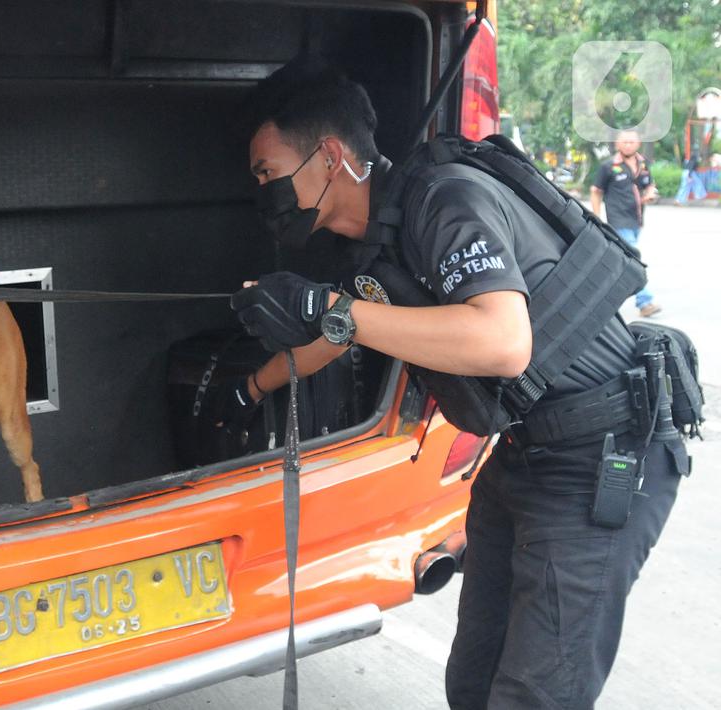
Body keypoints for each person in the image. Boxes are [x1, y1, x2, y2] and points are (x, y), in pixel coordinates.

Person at [223, 59, 685, 709]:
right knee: (473, 682)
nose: (263, 190)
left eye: (267, 172)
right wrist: (249, 388)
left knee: (534, 696)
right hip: (523, 455)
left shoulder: (444, 198)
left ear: (328, 156)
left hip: (602, 457)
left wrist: (329, 308)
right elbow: (335, 335)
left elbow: (502, 343)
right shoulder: (372, 244)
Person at [591, 130, 661, 317]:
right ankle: (644, 302)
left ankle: (598, 298)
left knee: (619, 262)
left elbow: (649, 185)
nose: (628, 145)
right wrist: (597, 217)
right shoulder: (608, 166)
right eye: (624, 142)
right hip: (618, 220)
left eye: (632, 142)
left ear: (638, 144)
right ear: (617, 144)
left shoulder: (643, 164)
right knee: (633, 259)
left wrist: (650, 194)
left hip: (636, 220)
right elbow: (596, 191)